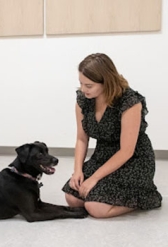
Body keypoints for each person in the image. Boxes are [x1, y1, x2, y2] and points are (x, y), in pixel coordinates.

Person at [62, 53, 162, 218]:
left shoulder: (129, 101)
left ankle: (145, 198)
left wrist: (94, 178)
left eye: (89, 85)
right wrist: (77, 171)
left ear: (106, 82)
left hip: (133, 160)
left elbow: (126, 151)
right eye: (81, 83)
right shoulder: (84, 99)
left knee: (96, 208)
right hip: (103, 156)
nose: (82, 89)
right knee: (72, 198)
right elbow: (81, 139)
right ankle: (104, 195)